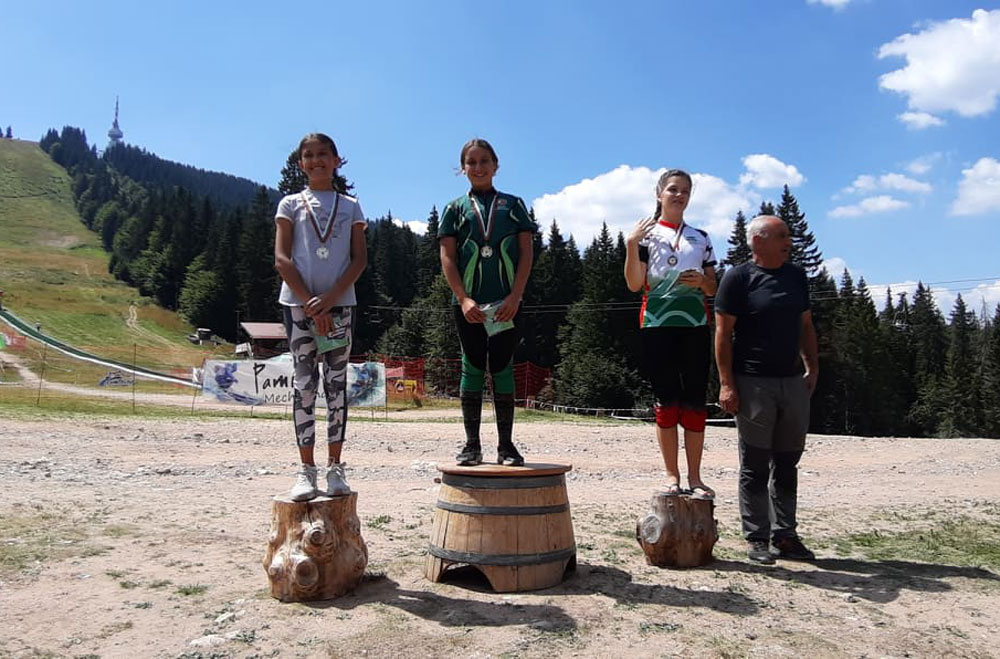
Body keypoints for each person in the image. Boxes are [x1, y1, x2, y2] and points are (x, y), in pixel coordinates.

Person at [714, 215, 819, 564]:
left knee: (788, 462)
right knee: (755, 463)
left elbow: (806, 324)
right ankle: (757, 537)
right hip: (752, 382)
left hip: (793, 382)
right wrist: (727, 384)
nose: (790, 242)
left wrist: (812, 366)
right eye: (782, 236)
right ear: (759, 241)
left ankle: (785, 535)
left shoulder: (796, 276)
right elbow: (722, 335)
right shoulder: (738, 278)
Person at [274, 132, 368, 501]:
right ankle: (306, 470)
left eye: (323, 154)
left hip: (340, 306)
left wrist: (329, 300)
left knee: (336, 385)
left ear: (337, 160)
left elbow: (359, 260)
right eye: (309, 156)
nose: (317, 161)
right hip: (297, 306)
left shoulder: (351, 206)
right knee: (304, 385)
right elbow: (282, 259)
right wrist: (310, 302)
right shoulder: (289, 204)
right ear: (301, 164)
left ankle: (335, 467)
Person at [438, 138, 535, 466]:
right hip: (469, 307)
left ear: (496, 165)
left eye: (484, 161)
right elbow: (447, 258)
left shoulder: (514, 205)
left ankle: (506, 446)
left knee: (503, 366)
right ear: (462, 168)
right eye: (472, 162)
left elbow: (526, 254)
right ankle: (471, 446)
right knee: (473, 365)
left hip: (508, 303)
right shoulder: (454, 209)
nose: (478, 167)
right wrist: (463, 299)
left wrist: (515, 296)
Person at [624, 169, 718, 499]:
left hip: (694, 325)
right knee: (666, 401)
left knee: (694, 402)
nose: (679, 196)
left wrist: (702, 282)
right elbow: (634, 284)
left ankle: (695, 477)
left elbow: (713, 287)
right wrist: (631, 244)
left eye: (685, 191)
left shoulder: (701, 237)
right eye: (673, 189)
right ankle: (671, 475)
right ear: (659, 193)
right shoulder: (645, 236)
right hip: (656, 324)